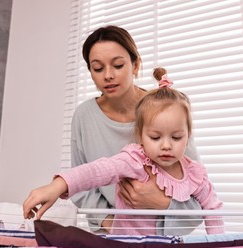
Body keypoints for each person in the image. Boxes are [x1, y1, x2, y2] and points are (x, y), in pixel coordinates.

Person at [23, 67, 224, 235]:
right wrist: (57, 186)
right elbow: (96, 171)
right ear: (141, 135)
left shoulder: (195, 174)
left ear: (188, 136)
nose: (166, 145)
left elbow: (213, 209)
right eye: (155, 137)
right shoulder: (135, 160)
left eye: (176, 137)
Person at [66, 25, 202, 234]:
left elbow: (197, 191)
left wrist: (161, 202)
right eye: (98, 68)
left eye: (118, 65)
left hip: (160, 236)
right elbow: (81, 183)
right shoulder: (84, 116)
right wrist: (110, 222)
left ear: (136, 65)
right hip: (111, 237)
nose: (108, 75)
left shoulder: (164, 108)